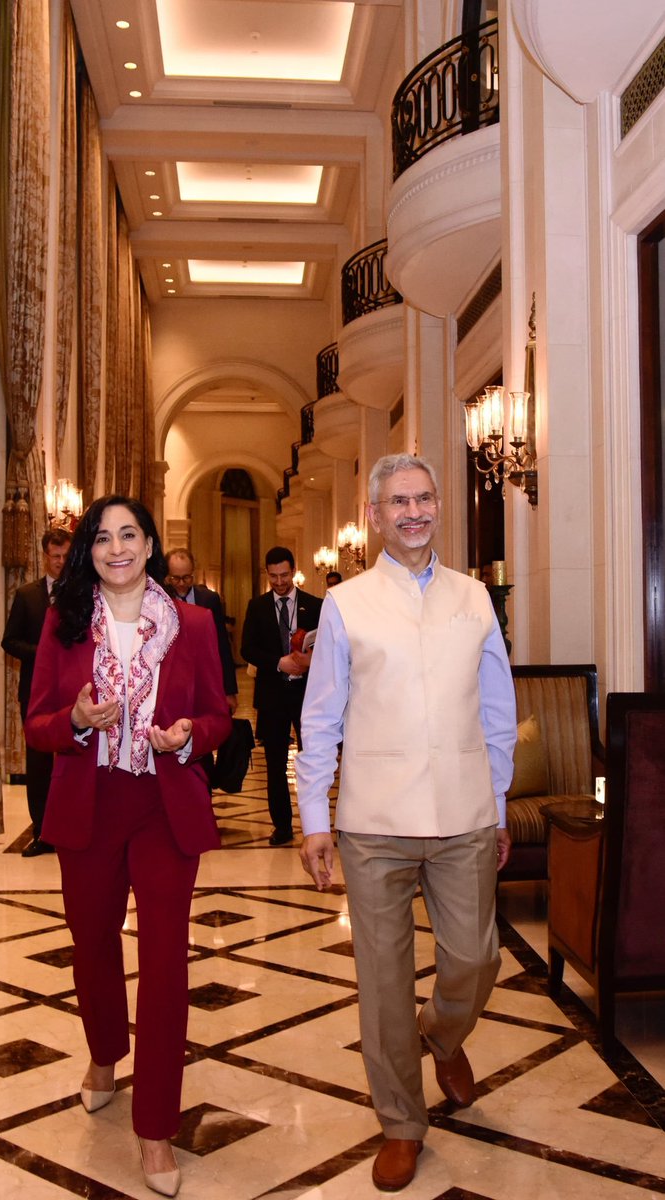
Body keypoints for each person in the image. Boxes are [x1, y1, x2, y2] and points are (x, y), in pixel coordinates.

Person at [296, 454, 516, 1193]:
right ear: (375, 515)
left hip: (462, 813)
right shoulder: (347, 603)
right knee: (382, 982)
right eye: (399, 502)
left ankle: (442, 1035)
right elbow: (320, 717)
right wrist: (313, 817)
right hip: (374, 820)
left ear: (437, 507)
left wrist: (498, 801)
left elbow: (496, 711)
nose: (413, 512)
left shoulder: (472, 598)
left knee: (474, 959)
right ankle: (400, 1122)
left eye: (423, 499)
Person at [24, 496, 232, 1198]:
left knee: (166, 961)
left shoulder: (195, 624)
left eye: (129, 534)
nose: (117, 547)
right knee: (92, 942)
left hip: (163, 804)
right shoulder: (64, 622)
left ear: (149, 545)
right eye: (103, 537)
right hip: (89, 801)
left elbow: (219, 714)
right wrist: (75, 720)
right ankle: (106, 1053)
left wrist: (189, 737)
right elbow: (37, 723)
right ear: (90, 549)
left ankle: (156, 1129)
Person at [241, 547, 322, 845]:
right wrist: (279, 662)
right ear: (267, 574)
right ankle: (283, 827)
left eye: (284, 575)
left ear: (293, 571)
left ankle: (317, 825)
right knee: (274, 765)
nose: (279, 582)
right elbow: (247, 649)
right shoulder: (257, 606)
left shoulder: (315, 605)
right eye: (273, 576)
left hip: (308, 696)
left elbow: (329, 646)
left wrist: (309, 660)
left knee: (314, 761)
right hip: (273, 698)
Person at [2, 527, 72, 856]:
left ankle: (74, 827)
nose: (60, 562)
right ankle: (42, 831)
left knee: (75, 759)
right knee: (39, 763)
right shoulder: (27, 595)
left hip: (74, 692)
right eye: (55, 557)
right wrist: (43, 653)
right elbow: (9, 641)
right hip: (34, 692)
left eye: (65, 556)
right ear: (45, 556)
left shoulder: (82, 594)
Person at [164, 548, 238, 713]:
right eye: (175, 578)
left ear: (193, 574)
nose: (181, 583)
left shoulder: (209, 600)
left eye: (186, 577)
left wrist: (229, 691)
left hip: (206, 681)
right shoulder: (161, 600)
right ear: (168, 576)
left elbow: (222, 646)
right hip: (173, 684)